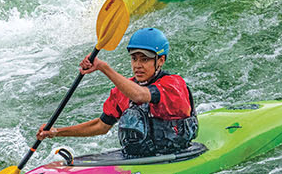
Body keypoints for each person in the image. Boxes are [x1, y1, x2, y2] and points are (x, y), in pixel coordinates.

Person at [36, 28, 197, 157]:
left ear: (160, 60)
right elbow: (101, 126)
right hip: (140, 156)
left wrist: (103, 67)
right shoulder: (122, 91)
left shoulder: (173, 84)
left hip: (176, 153)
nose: (138, 65)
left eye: (145, 59)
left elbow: (140, 95)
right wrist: (56, 132)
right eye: (134, 59)